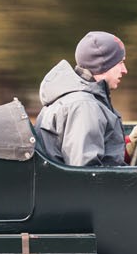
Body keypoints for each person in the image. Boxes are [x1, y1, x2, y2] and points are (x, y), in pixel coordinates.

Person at [37, 31, 129, 166]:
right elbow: (85, 173)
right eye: (120, 63)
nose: (124, 70)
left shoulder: (81, 99)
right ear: (103, 64)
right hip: (87, 186)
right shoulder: (84, 106)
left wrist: (130, 148)